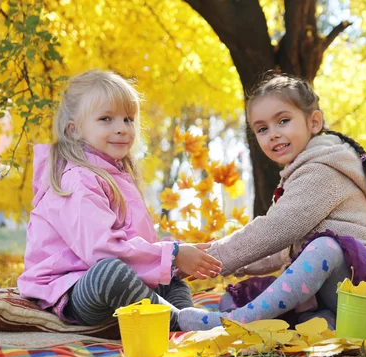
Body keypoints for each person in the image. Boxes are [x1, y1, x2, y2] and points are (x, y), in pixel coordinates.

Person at [178, 74, 366, 331]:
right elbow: (280, 249)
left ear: (314, 122)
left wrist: (215, 255)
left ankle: (238, 322)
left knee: (325, 248)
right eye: (262, 129)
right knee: (232, 297)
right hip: (331, 291)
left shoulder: (322, 171)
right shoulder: (299, 173)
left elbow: (275, 229)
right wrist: (209, 264)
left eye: (283, 121)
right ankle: (322, 322)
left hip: (364, 289)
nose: (273, 135)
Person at [18, 70, 222, 331]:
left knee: (168, 277)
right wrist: (171, 255)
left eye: (128, 119)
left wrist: (173, 257)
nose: (122, 128)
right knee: (112, 274)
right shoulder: (78, 179)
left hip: (106, 274)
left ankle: (184, 315)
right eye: (106, 119)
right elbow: (101, 251)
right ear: (74, 129)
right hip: (72, 287)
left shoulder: (115, 173)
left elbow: (133, 241)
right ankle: (175, 321)